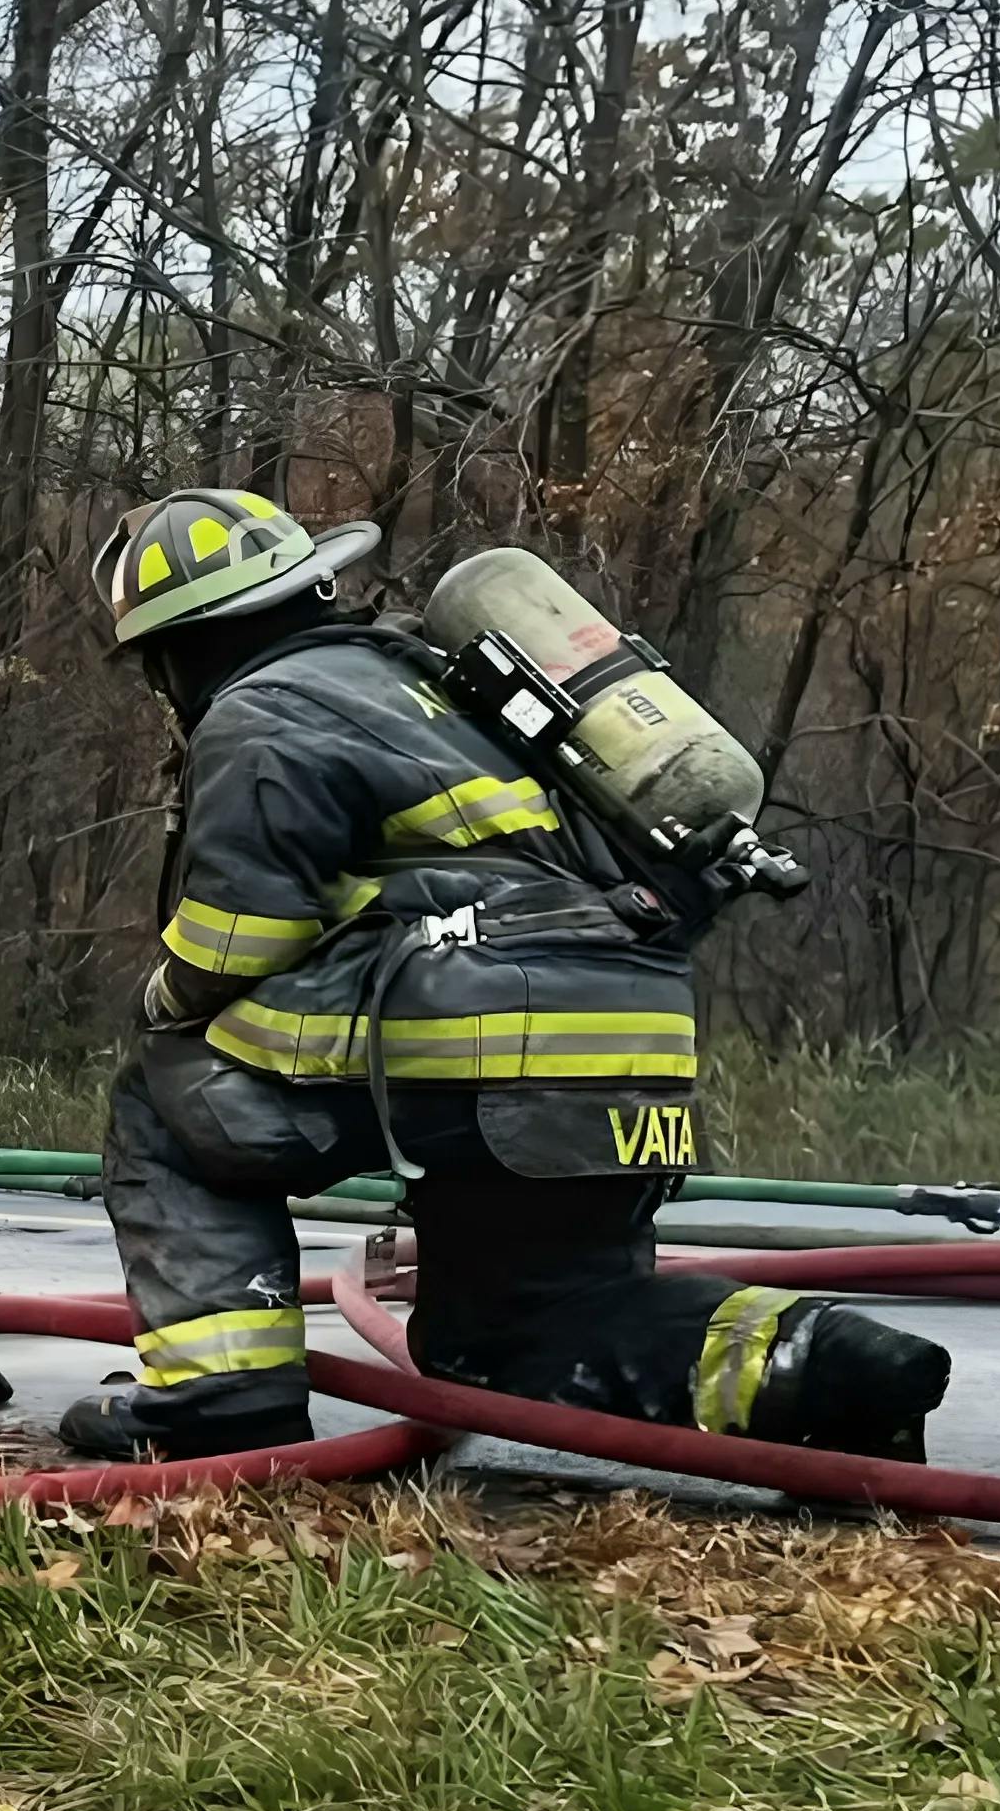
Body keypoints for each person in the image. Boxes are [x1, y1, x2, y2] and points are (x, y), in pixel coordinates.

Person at [67, 488, 951, 1462]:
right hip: (629, 1033)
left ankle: (217, 1405)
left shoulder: (261, 710)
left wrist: (160, 1003)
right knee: (517, 1336)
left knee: (162, 1102)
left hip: (480, 1038)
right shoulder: (437, 683)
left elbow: (242, 935)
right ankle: (829, 1370)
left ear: (179, 645)